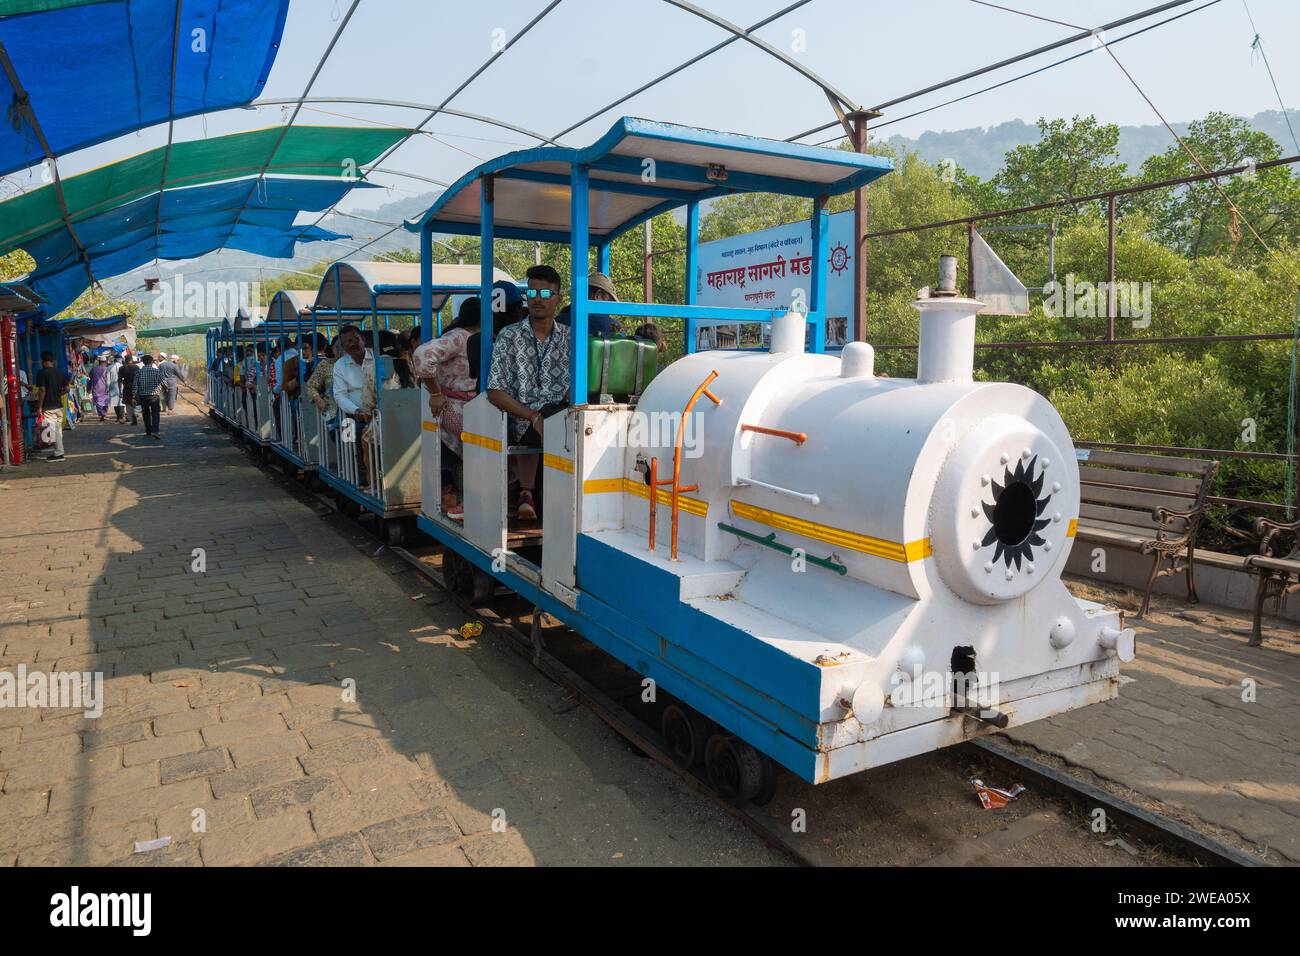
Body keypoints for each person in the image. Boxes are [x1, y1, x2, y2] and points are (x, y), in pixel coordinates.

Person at [486, 264, 571, 521]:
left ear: (558, 299)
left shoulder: (570, 338)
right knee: (544, 421)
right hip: (521, 419)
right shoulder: (509, 336)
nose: (537, 299)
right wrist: (532, 415)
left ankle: (562, 499)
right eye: (532, 293)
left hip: (562, 417)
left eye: (545, 294)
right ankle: (527, 492)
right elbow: (495, 391)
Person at [412, 297, 481, 517]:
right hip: (457, 406)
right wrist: (435, 393)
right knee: (480, 448)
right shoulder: (460, 337)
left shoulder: (480, 336)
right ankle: (469, 502)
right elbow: (422, 355)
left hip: (475, 406)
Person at [556, 271, 623, 335]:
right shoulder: (613, 327)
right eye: (609, 302)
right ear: (597, 295)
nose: (609, 312)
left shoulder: (558, 322)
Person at [33, 351, 69, 461]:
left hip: (48, 407)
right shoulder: (60, 373)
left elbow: (42, 390)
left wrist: (39, 406)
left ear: (43, 361)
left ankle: (59, 454)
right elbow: (67, 389)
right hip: (59, 406)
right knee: (57, 430)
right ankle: (59, 452)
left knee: (54, 431)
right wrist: (58, 393)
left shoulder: (42, 373)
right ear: (52, 361)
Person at [132, 354, 165, 440]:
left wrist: (134, 396)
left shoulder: (138, 372)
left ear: (143, 362)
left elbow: (135, 386)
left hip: (143, 396)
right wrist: (165, 389)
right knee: (155, 414)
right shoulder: (157, 371)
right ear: (151, 362)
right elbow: (164, 382)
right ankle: (155, 431)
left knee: (146, 414)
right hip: (154, 396)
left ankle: (148, 431)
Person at [117, 353, 138, 426]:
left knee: (128, 403)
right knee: (136, 402)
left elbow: (119, 380)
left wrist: (120, 391)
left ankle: (131, 418)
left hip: (126, 387)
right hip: (135, 387)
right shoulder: (136, 367)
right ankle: (135, 415)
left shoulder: (122, 368)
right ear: (131, 360)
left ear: (125, 360)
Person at [89, 354, 111, 421]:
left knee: (98, 402)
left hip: (96, 388)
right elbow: (109, 379)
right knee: (105, 401)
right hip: (105, 388)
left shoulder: (94, 369)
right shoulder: (107, 369)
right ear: (105, 362)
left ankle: (102, 414)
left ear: (99, 362)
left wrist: (88, 388)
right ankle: (104, 414)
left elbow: (90, 378)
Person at [108, 353, 124, 422]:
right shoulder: (123, 366)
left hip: (113, 387)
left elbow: (107, 379)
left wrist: (107, 387)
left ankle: (118, 417)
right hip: (122, 386)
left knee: (115, 402)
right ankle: (121, 417)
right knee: (121, 402)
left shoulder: (109, 367)